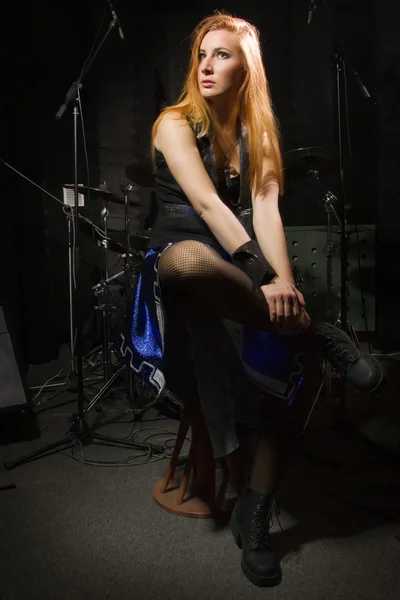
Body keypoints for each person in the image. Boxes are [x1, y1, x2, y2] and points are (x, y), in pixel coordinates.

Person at [127, 12, 385, 587]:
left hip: (245, 276)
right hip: (181, 263)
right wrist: (267, 278)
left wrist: (286, 287)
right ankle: (322, 329)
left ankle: (257, 515)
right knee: (193, 259)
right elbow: (213, 210)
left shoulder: (258, 130)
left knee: (298, 357)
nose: (207, 66)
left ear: (248, 67)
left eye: (222, 55)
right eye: (202, 55)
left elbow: (266, 211)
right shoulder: (173, 123)